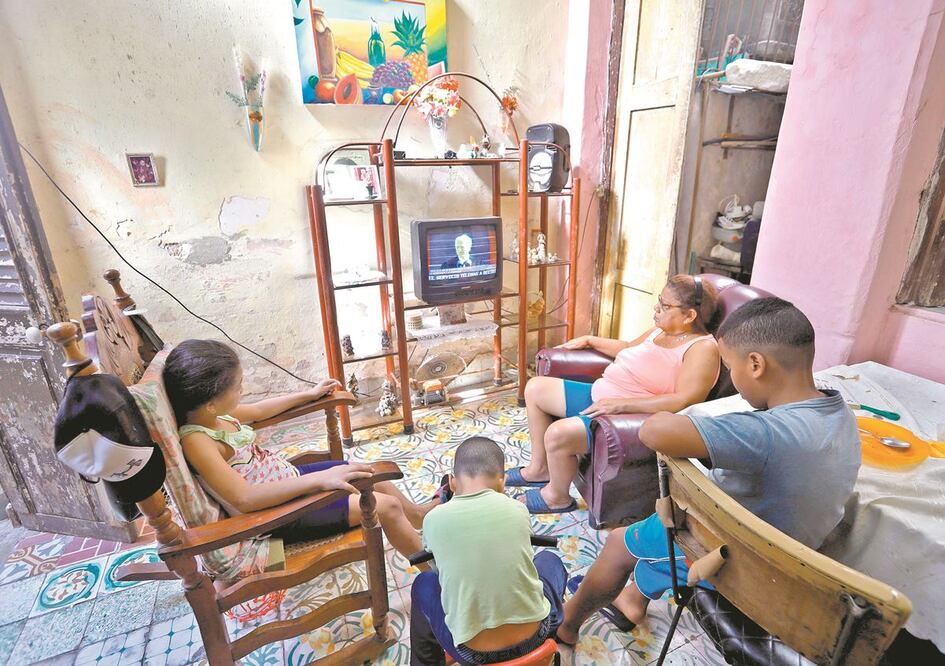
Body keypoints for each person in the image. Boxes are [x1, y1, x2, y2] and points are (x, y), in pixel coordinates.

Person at [555, 298, 860, 643]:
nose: (732, 379)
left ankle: (566, 625)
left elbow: (653, 431)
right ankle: (632, 599)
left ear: (756, 364)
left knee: (619, 542)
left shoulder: (763, 433)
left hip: (739, 557)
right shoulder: (839, 412)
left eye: (730, 368)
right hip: (792, 554)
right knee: (659, 536)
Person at [162, 339, 437, 565]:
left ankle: (417, 515)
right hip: (279, 515)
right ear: (210, 403)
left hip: (289, 481)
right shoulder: (197, 441)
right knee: (385, 507)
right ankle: (435, 575)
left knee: (371, 472)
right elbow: (244, 499)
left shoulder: (215, 416)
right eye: (238, 387)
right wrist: (321, 479)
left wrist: (310, 394)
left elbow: (260, 410)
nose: (243, 391)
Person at [508, 275, 721, 514]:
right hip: (603, 396)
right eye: (659, 300)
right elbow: (628, 347)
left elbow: (685, 400)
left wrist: (621, 406)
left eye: (665, 305)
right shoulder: (661, 331)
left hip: (625, 416)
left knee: (557, 435)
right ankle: (539, 469)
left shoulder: (702, 349)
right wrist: (590, 339)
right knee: (536, 388)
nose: (657, 308)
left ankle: (556, 496)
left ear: (689, 315)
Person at [411, 437, 568, 666]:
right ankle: (555, 635)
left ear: (453, 483)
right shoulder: (517, 509)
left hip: (473, 654)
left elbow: (439, 575)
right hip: (535, 637)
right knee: (549, 560)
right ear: (502, 482)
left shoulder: (433, 520)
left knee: (424, 583)